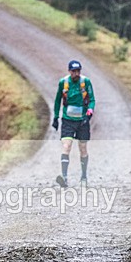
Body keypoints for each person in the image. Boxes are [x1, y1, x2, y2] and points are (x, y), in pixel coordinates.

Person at [51, 59, 96, 187]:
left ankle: (83, 176)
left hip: (82, 121)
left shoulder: (85, 82)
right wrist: (55, 117)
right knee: (66, 146)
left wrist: (89, 113)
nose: (76, 73)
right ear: (69, 71)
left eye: (78, 71)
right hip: (67, 120)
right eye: (73, 71)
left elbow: (92, 99)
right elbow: (57, 100)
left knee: (83, 148)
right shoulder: (63, 83)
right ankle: (64, 178)